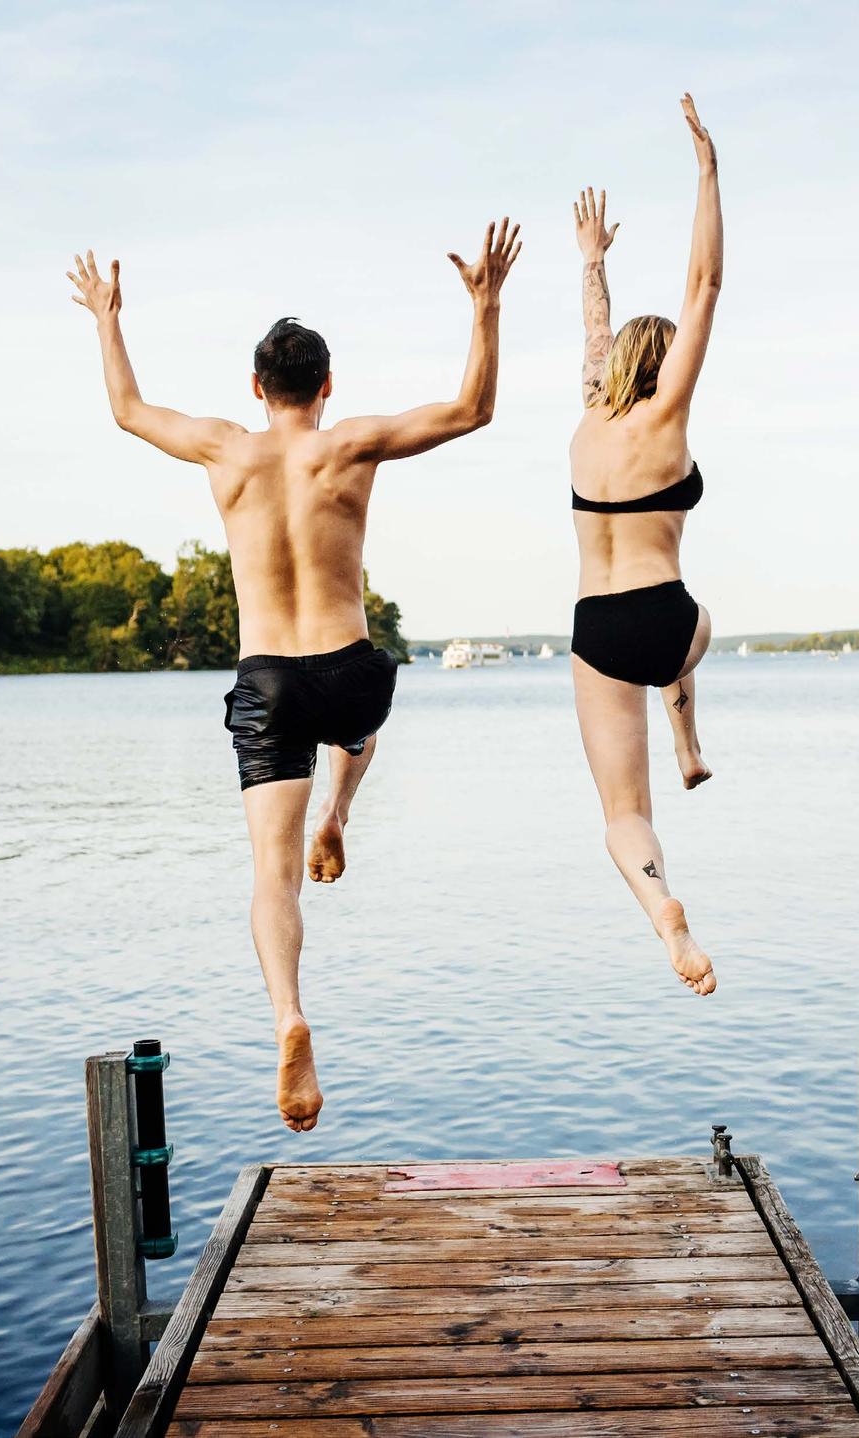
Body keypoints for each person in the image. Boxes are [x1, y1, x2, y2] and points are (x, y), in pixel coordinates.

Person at [67, 220, 522, 1128]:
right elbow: (472, 410)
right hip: (346, 668)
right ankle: (340, 808)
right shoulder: (348, 444)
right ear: (324, 387)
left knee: (271, 876)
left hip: (266, 676)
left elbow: (127, 409)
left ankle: (288, 1015)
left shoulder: (224, 448)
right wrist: (487, 304)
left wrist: (107, 318)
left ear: (255, 388)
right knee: (367, 706)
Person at [570, 95, 721, 996]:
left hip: (598, 629)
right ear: (665, 368)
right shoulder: (669, 417)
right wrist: (706, 173)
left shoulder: (590, 418)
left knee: (622, 815)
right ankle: (690, 739)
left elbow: (597, 328)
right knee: (699, 628)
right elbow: (702, 287)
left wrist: (591, 260)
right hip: (670, 619)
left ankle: (665, 909)